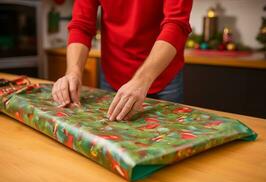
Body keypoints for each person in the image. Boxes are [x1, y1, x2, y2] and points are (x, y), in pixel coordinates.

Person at [52, 0, 193, 121]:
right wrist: (73, 72)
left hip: (164, 77)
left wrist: (141, 80)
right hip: (112, 75)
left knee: (167, 139)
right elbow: (81, 25)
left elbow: (176, 24)